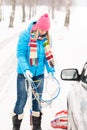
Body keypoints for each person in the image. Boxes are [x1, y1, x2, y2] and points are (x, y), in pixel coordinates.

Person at [12, 13, 55, 130]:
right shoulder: (25, 35)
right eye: (41, 29)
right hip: (23, 74)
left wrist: (51, 70)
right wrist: (26, 69)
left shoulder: (47, 39)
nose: (43, 32)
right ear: (37, 27)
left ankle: (36, 127)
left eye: (45, 30)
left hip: (39, 75)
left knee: (37, 101)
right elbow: (20, 54)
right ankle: (16, 127)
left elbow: (47, 57)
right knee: (21, 100)